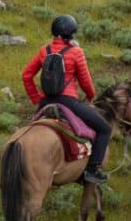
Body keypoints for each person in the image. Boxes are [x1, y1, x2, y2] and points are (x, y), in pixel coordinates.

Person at [21, 14, 111, 185]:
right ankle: (92, 169)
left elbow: (26, 76)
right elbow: (86, 81)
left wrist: (37, 99)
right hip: (69, 102)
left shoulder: (44, 51)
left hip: (46, 102)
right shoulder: (76, 52)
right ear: (71, 35)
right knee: (104, 129)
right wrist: (90, 96)